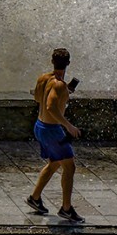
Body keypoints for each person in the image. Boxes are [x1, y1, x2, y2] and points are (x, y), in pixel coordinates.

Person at [27, 48, 85, 223]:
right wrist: (69, 126)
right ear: (68, 63)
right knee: (70, 167)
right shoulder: (59, 85)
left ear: (52, 61)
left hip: (40, 126)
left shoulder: (44, 78)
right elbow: (51, 106)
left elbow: (38, 99)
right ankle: (66, 209)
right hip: (52, 130)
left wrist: (63, 94)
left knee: (54, 163)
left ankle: (34, 198)